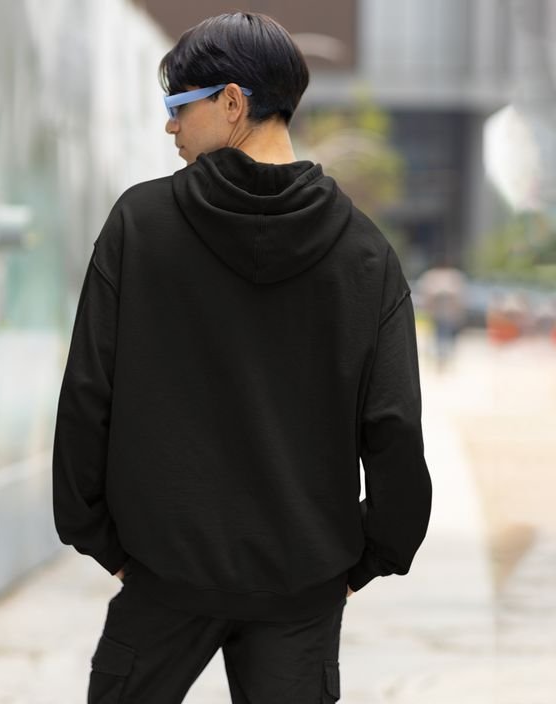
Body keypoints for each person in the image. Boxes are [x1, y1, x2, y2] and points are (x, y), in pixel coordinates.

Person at [52, 11, 432, 703]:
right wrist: (372, 554)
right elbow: (394, 425)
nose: (170, 125)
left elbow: (87, 394)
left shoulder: (142, 225)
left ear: (232, 102)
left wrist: (100, 537)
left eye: (178, 105)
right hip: (301, 585)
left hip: (163, 573)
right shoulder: (364, 253)